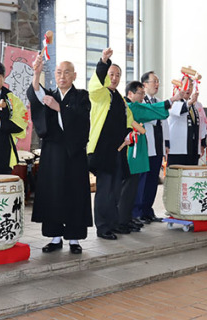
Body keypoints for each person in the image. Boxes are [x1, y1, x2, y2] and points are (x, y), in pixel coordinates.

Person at [27, 55, 92, 254]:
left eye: (66, 72)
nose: (62, 76)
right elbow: (36, 97)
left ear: (74, 76)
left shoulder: (82, 96)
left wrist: (59, 108)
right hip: (53, 153)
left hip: (74, 153)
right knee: (53, 192)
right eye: (58, 72)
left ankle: (74, 239)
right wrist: (36, 73)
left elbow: (81, 120)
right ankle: (55, 237)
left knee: (74, 193)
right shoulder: (51, 94)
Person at [87, 47, 134, 240]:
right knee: (104, 190)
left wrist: (130, 132)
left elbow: (129, 119)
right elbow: (94, 86)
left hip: (118, 150)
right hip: (102, 149)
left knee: (116, 188)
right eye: (111, 74)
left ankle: (114, 223)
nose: (114, 78)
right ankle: (102, 226)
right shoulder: (101, 94)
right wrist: (103, 61)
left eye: (117, 75)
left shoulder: (121, 99)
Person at [122, 81, 180, 231]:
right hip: (131, 150)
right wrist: (171, 100)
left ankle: (132, 216)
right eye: (140, 93)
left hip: (140, 148)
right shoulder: (131, 106)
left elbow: (152, 110)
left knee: (137, 184)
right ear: (130, 94)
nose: (142, 96)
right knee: (131, 185)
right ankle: (129, 216)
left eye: (142, 93)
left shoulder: (134, 106)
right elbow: (150, 110)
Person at [132, 71, 172, 224]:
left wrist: (166, 143)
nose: (157, 84)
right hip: (145, 146)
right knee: (142, 180)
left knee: (152, 181)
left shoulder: (159, 101)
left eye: (158, 81)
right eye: (153, 81)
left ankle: (148, 210)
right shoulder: (141, 103)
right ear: (144, 85)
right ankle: (137, 212)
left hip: (158, 145)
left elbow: (165, 123)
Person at [167, 79, 207, 166]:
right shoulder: (173, 102)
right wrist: (190, 102)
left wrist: (203, 143)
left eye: (191, 86)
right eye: (186, 86)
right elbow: (180, 110)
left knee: (191, 175)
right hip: (178, 149)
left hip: (194, 147)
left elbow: (203, 124)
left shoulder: (197, 105)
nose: (188, 89)